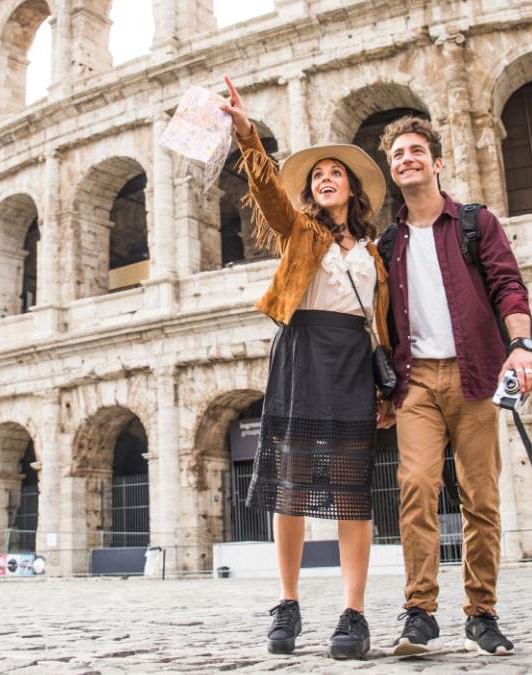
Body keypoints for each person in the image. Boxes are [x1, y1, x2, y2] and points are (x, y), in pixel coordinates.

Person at [220, 75, 391, 660]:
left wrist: (386, 389)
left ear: (352, 189)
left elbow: (383, 324)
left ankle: (354, 612)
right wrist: (247, 135)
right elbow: (267, 190)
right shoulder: (301, 232)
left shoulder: (374, 253)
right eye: (317, 175)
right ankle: (288, 603)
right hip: (300, 350)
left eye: (334, 173)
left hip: (351, 359)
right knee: (290, 487)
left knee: (351, 492)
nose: (324, 178)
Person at [377, 115, 532, 656]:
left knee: (481, 498)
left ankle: (482, 612)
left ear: (437, 161)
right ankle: (419, 611)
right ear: (391, 168)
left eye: (416, 150)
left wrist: (522, 346)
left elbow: (508, 286)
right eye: (398, 154)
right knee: (416, 487)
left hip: (474, 376)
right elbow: (377, 323)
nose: (407, 159)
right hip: (416, 381)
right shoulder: (387, 242)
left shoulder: (474, 222)